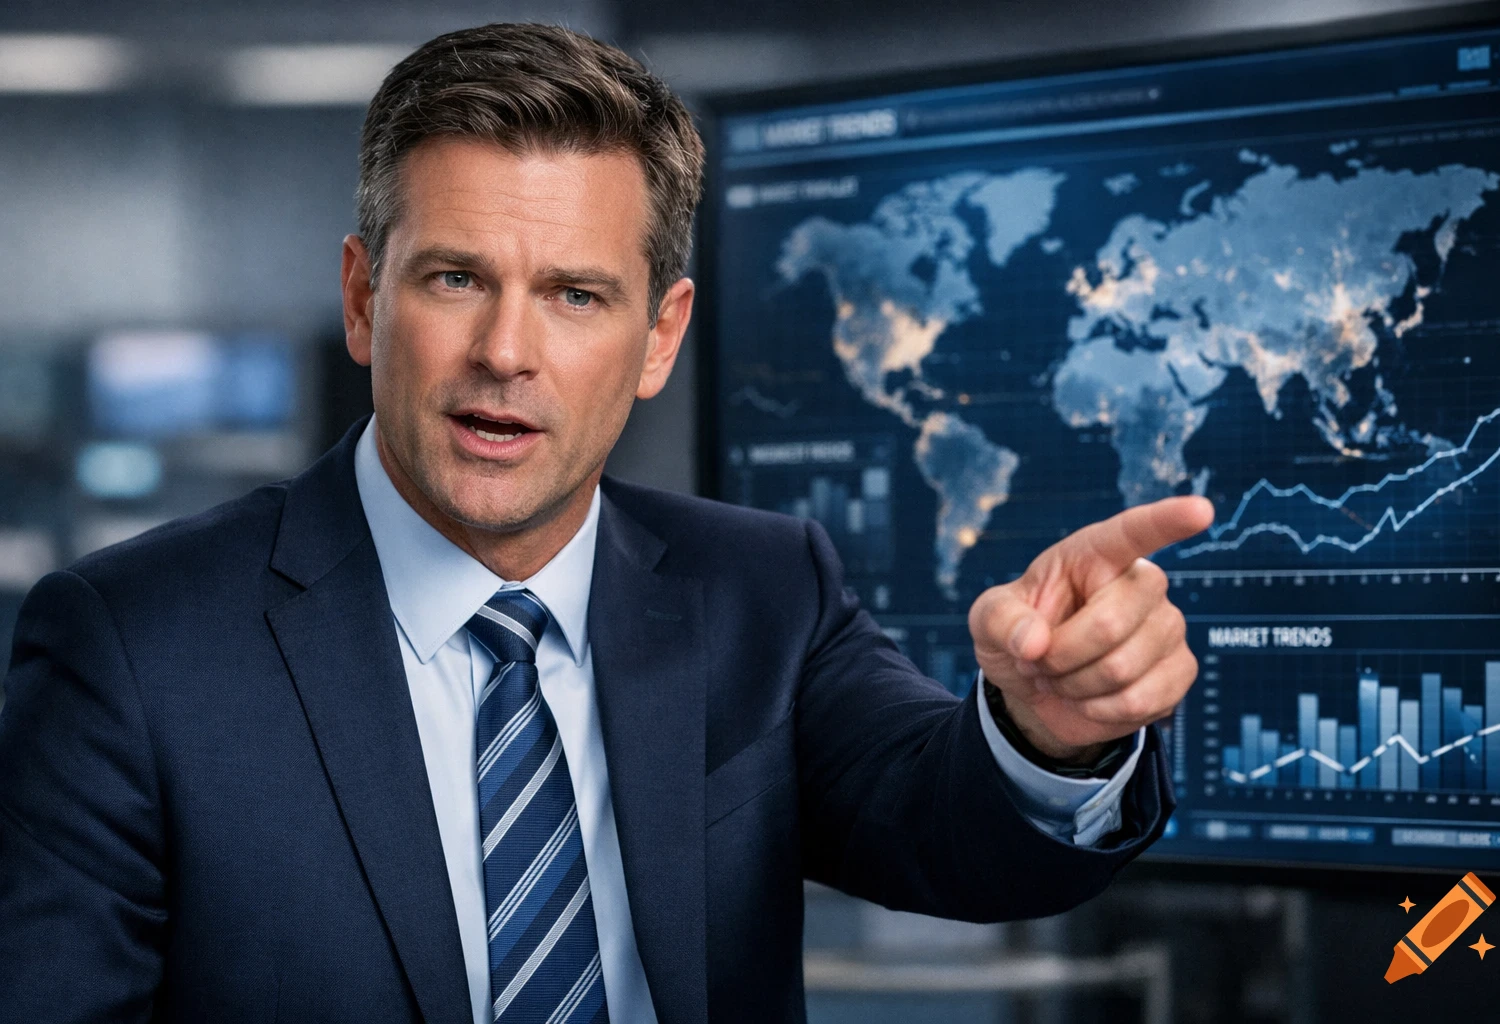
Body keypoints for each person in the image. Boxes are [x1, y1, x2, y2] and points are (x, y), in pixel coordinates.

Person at [0, 22, 1213, 1024]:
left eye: (577, 296)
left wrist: (1051, 733)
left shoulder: (763, 593)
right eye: (456, 278)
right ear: (366, 299)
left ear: (660, 336)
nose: (506, 354)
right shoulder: (128, 646)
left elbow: (951, 831)